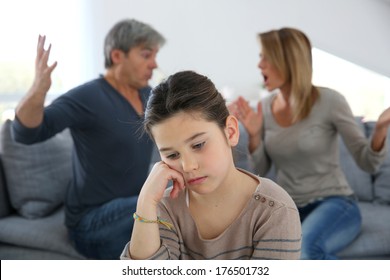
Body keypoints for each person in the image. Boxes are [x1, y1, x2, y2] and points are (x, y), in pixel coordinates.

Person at [229, 27, 390, 259]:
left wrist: (381, 129)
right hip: (289, 207)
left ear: (287, 61)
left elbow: (368, 163)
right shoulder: (265, 107)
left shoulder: (331, 101)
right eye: (260, 57)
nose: (259, 65)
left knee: (305, 252)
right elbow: (262, 172)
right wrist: (254, 135)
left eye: (266, 57)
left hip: (335, 204)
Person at [12, 19, 166, 259]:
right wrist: (38, 89)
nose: (154, 64)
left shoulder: (147, 94)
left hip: (131, 206)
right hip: (92, 221)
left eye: (155, 55)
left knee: (176, 201)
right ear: (117, 55)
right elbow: (24, 133)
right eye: (146, 55)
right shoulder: (88, 97)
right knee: (163, 208)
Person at [120, 70, 302, 260]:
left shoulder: (275, 210)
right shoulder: (164, 207)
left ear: (230, 132)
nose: (188, 166)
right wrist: (145, 202)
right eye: (172, 155)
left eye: (198, 145)